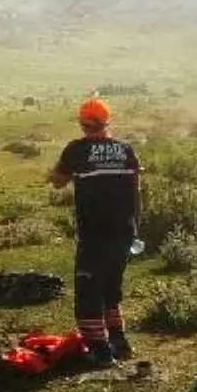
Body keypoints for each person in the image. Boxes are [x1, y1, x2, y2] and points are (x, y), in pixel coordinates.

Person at [48, 97, 141, 367]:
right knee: (111, 288)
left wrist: (50, 176)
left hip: (94, 233)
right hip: (124, 231)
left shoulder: (76, 150)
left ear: (82, 123)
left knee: (88, 289)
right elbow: (137, 191)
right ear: (106, 120)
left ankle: (99, 350)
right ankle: (119, 341)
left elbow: (58, 182)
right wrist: (135, 226)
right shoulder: (125, 149)